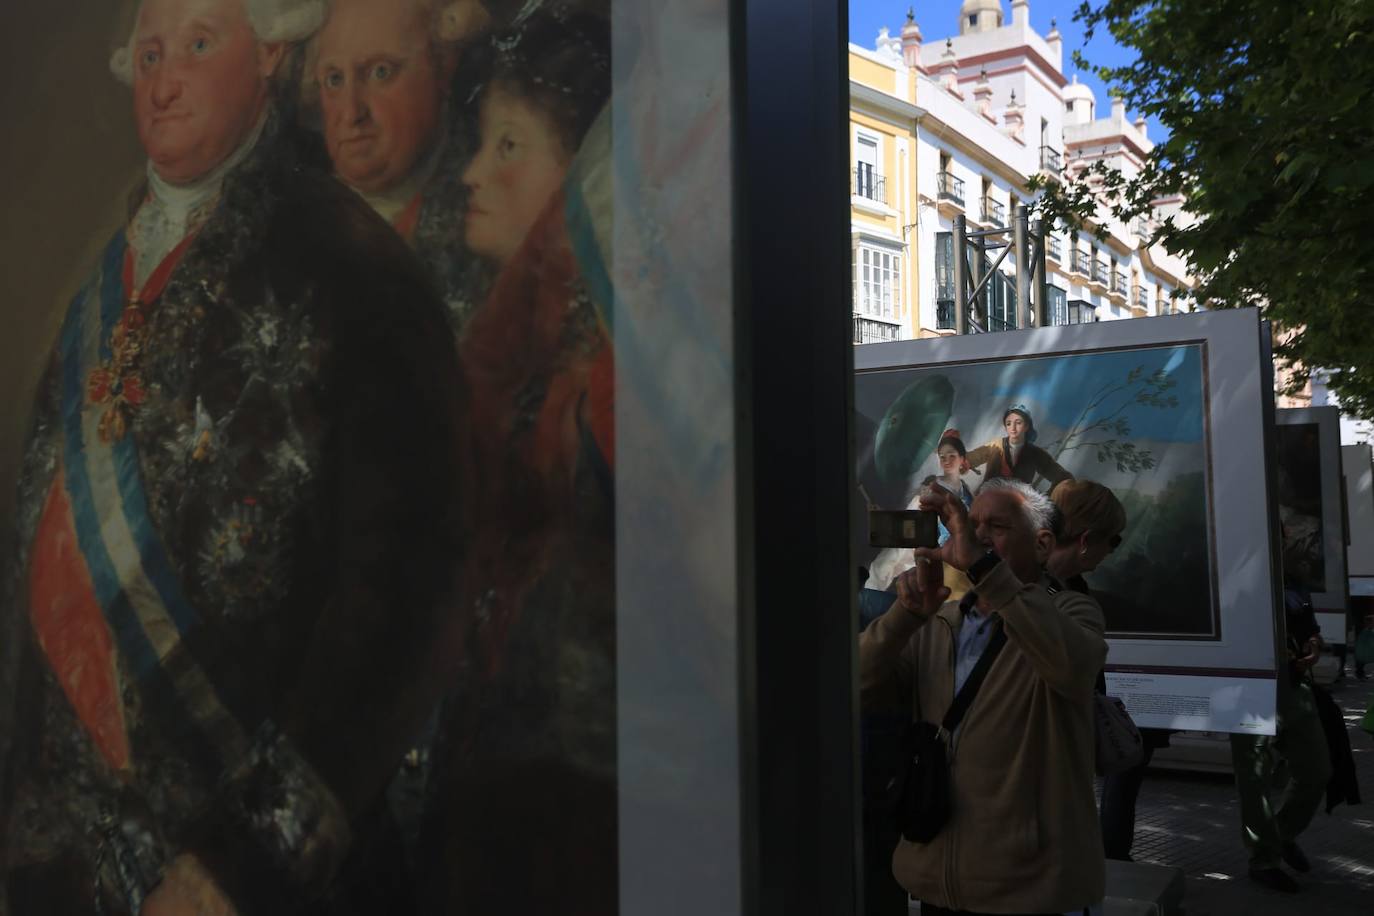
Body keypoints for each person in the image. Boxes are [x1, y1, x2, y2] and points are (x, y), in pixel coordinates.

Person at [0, 1, 465, 913]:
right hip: (64, 854)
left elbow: (405, 591)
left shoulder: (355, 268)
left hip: (234, 873)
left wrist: (244, 858)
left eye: (198, 46)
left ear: (271, 55)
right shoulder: (104, 280)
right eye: (149, 53)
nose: (162, 81)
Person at [417, 10, 615, 915]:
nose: (471, 173)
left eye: (509, 145)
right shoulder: (507, 353)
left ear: (583, 172)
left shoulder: (603, 378)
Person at [860, 477, 1107, 915]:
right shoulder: (941, 623)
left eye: (996, 527)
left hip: (1030, 887)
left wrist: (983, 566)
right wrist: (906, 616)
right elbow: (855, 688)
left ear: (1043, 544)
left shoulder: (1073, 612)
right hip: (938, 880)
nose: (974, 538)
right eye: (971, 526)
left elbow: (1072, 666)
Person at [311, 0, 489, 329]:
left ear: (443, 66)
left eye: (381, 72)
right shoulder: (299, 217)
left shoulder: (490, 214)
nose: (352, 114)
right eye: (334, 80)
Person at [1046, 480, 1169, 864]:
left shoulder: (1065, 588)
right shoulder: (1043, 594)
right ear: (1085, 539)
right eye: (1112, 541)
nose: (1112, 553)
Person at [1229, 577, 1333, 893]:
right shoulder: (1232, 571)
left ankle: (1281, 835)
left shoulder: (1293, 578)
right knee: (1253, 779)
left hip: (1292, 685)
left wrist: (1313, 647)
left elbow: (1310, 628)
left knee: (1316, 771)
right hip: (1246, 687)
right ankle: (1264, 859)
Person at [966, 404, 1073, 494]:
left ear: (1026, 426)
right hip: (987, 498)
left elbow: (1063, 477)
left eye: (1018, 423)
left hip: (1018, 506)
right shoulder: (995, 445)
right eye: (1009, 423)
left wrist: (1046, 497)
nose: (1013, 428)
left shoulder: (1035, 453)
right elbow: (972, 457)